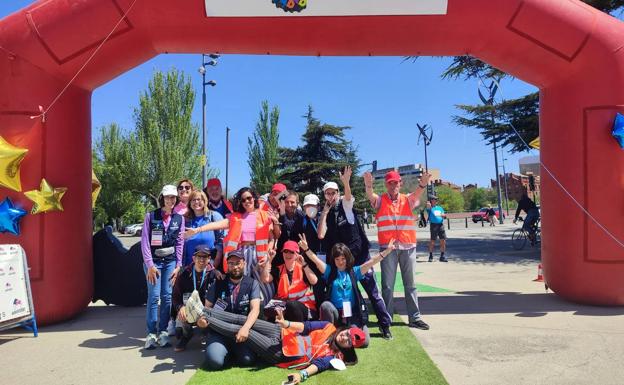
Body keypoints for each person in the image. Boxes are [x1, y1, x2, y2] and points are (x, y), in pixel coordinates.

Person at [193, 306, 365, 383]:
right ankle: (202, 309)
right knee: (245, 321)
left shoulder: (334, 357)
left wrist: (302, 376)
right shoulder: (329, 327)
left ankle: (202, 319)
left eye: (349, 341)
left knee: (245, 332)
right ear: (346, 329)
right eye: (347, 334)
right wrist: (286, 323)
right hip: (282, 333)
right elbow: (306, 326)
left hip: (281, 353)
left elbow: (318, 366)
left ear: (349, 348)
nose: (344, 338)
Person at [318, 166, 392, 339]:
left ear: (338, 193)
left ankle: (384, 326)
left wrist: (346, 183)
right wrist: (325, 211)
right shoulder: (326, 213)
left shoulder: (346, 205)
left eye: (333, 193)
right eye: (327, 194)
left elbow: (349, 197)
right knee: (345, 293)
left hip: (359, 258)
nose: (331, 196)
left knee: (373, 292)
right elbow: (321, 234)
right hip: (343, 264)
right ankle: (347, 324)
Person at [185, 187, 279, 305]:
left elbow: (272, 237)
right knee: (239, 285)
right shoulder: (236, 217)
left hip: (259, 255)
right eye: (243, 199)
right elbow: (217, 225)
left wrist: (267, 253)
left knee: (265, 287)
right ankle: (240, 311)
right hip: (241, 255)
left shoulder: (264, 215)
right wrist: (198, 230)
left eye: (249, 198)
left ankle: (260, 313)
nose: (246, 202)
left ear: (254, 198)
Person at [364, 170, 432, 331]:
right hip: (388, 249)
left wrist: (422, 184)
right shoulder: (380, 200)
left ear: (400, 183)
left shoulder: (407, 200)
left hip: (408, 246)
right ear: (386, 184)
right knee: (387, 285)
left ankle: (414, 318)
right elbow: (370, 196)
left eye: (396, 182)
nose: (394, 185)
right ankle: (386, 319)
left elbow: (417, 193)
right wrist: (368, 185)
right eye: (391, 183)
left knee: (411, 284)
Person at [303, 236, 397, 347]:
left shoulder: (355, 271)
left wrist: (387, 251)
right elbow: (316, 260)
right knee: (326, 306)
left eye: (343, 259)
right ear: (334, 260)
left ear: (347, 258)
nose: (340, 262)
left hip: (352, 314)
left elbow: (372, 261)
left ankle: (348, 330)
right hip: (336, 313)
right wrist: (306, 249)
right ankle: (329, 334)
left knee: (364, 341)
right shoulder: (329, 271)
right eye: (337, 259)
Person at [200, 249, 262, 370]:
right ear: (227, 265)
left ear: (243, 263)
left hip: (240, 331)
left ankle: (231, 351)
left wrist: (245, 328)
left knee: (248, 360)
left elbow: (255, 309)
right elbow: (206, 309)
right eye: (231, 263)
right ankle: (222, 350)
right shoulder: (217, 283)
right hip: (219, 332)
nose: (235, 267)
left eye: (238, 263)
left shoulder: (252, 283)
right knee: (215, 362)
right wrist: (202, 322)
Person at [141, 184, 185, 349]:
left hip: (170, 262)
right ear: (162, 198)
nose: (171, 200)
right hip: (154, 262)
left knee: (167, 296)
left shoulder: (179, 218)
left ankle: (163, 332)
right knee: (153, 297)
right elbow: (144, 242)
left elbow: (180, 242)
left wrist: (178, 265)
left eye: (173, 197)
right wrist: (150, 265)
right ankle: (151, 333)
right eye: (167, 197)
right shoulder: (151, 216)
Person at [171, 245, 219, 352]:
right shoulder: (183, 274)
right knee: (183, 313)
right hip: (190, 308)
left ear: (209, 259)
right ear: (193, 258)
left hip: (207, 310)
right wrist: (180, 307)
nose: (201, 260)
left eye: (205, 257)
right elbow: (175, 296)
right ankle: (186, 335)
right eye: (199, 257)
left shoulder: (214, 275)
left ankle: (206, 334)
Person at [261, 240, 318, 322]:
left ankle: (299, 331)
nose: (288, 254)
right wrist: (269, 260)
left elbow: (314, 281)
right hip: (286, 306)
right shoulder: (279, 269)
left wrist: (304, 264)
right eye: (285, 251)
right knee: (267, 311)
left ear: (296, 254)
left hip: (305, 308)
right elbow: (265, 279)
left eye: (291, 252)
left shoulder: (303, 268)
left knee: (292, 305)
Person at [183, 189, 224, 268]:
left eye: (199, 199)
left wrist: (216, 261)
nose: (196, 202)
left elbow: (222, 240)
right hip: (188, 266)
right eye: (193, 200)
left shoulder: (214, 216)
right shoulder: (185, 219)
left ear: (205, 201)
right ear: (190, 203)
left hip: (209, 265)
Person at [274, 191, 304, 267]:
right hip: (280, 253)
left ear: (297, 203)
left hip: (296, 253)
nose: (289, 205)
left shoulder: (301, 216)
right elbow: (277, 198)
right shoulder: (278, 214)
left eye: (292, 202)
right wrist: (285, 192)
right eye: (286, 202)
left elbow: (290, 227)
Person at [426, 195, 448, 263]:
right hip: (433, 225)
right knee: (432, 241)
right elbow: (427, 207)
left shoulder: (440, 208)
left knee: (443, 240)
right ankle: (430, 256)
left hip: (440, 225)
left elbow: (444, 215)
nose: (435, 201)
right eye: (434, 199)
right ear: (431, 201)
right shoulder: (429, 208)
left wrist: (444, 216)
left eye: (436, 200)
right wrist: (428, 204)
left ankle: (442, 256)